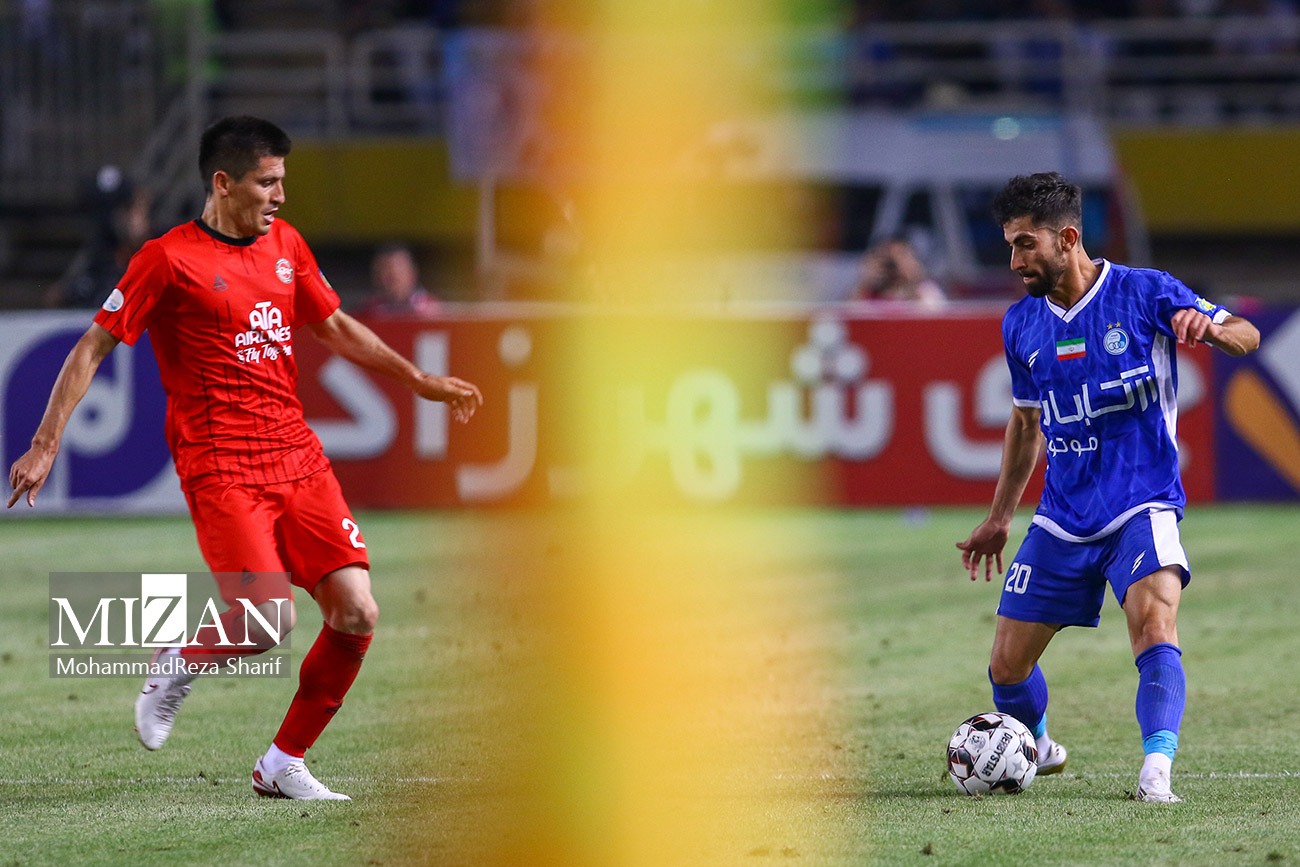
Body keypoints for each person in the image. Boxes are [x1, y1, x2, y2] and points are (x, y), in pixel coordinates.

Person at [7, 116, 483, 800]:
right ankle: (179, 658)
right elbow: (91, 348)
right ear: (224, 183)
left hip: (297, 455)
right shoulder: (166, 259)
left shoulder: (286, 244)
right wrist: (46, 442)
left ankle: (282, 762)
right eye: (268, 182)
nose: (280, 196)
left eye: (283, 181)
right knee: (269, 618)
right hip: (220, 465)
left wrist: (419, 380)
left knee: (357, 611)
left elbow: (335, 326)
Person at [955, 171, 1260, 804]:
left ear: (1067, 238)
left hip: (1142, 503)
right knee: (1006, 668)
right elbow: (1025, 423)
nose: (1014, 261)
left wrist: (1211, 329)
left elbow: (1246, 334)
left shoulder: (1145, 291)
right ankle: (1038, 746)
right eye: (1009, 246)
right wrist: (999, 517)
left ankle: (1157, 770)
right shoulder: (1021, 324)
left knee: (1154, 626)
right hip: (1064, 514)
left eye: (1025, 244)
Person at [854, 236, 946, 307]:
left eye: (902, 255)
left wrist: (913, 286)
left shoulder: (925, 290)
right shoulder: (870, 291)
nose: (895, 264)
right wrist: (867, 281)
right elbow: (852, 314)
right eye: (889, 258)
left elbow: (935, 314)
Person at [357, 242, 441, 316]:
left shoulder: (434, 311)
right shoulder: (368, 311)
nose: (392, 273)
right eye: (384, 269)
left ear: (412, 271)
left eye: (399, 268)